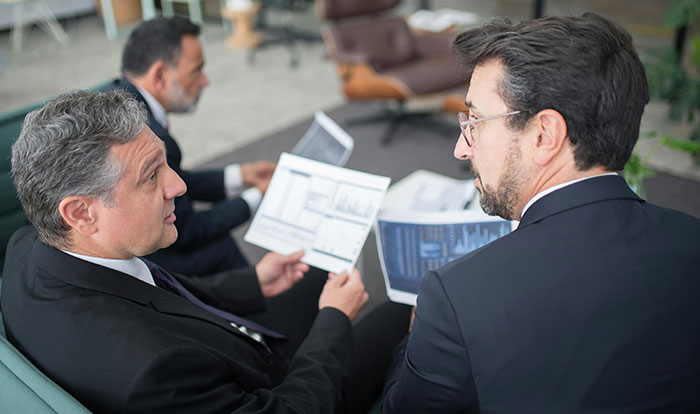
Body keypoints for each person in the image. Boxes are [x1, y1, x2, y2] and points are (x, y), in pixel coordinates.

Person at [2, 89, 410, 413]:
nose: (178, 185)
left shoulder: (30, 247)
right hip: (273, 390)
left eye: (166, 164)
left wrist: (255, 283)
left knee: (318, 269)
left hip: (226, 348)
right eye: (151, 177)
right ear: (81, 212)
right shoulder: (154, 372)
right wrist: (334, 322)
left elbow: (156, 294)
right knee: (403, 307)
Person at [383, 13, 700, 413]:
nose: (461, 149)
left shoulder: (457, 299)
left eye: (475, 121)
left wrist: (413, 339)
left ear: (544, 135)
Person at [104, 16, 275, 276]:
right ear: (160, 75)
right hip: (140, 262)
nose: (205, 80)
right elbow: (186, 231)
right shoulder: (150, 135)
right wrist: (256, 198)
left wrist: (239, 176)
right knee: (220, 247)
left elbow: (176, 179)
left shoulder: (113, 95)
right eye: (197, 70)